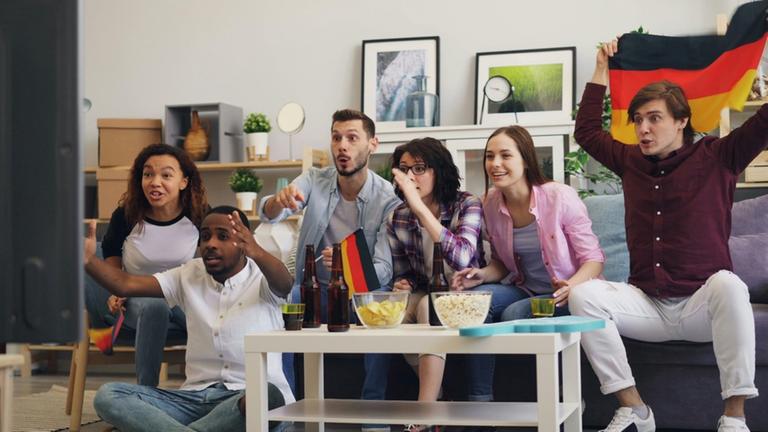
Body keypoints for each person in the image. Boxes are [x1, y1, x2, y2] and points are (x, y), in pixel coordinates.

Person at [569, 39, 765, 432]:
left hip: (700, 308)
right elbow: (587, 132)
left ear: (681, 121)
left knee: (729, 284)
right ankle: (635, 409)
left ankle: (734, 417)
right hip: (647, 305)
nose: (642, 128)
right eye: (638, 119)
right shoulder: (630, 162)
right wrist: (601, 69)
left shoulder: (719, 156)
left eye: (654, 118)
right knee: (583, 294)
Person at [87, 206, 294, 432]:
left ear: (245, 242)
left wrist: (259, 252)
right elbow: (124, 284)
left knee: (268, 396)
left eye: (223, 236)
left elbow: (285, 284)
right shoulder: (188, 274)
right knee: (109, 395)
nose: (211, 244)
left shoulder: (263, 277)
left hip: (246, 398)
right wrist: (86, 258)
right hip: (192, 400)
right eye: (205, 237)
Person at [258, 109, 401, 431]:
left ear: (372, 144)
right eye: (337, 137)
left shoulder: (387, 198)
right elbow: (270, 214)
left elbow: (381, 270)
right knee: (288, 300)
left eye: (352, 138)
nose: (342, 146)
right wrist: (278, 202)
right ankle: (288, 412)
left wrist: (345, 264)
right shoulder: (314, 180)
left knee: (381, 308)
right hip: (313, 291)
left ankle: (373, 418)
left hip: (359, 295)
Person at [452, 125, 604, 413]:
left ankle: (564, 394)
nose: (495, 164)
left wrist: (573, 286)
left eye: (505, 155)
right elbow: (500, 263)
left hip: (570, 292)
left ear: (525, 159)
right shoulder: (490, 204)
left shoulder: (560, 197)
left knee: (514, 313)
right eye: (489, 156)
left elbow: (594, 260)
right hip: (525, 289)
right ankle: (480, 404)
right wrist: (481, 275)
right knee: (474, 302)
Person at [386, 137, 484, 432]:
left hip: (466, 293)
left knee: (431, 305)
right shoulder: (398, 217)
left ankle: (424, 414)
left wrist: (420, 209)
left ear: (438, 170)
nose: (411, 177)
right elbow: (408, 273)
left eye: (419, 168)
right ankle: (436, 395)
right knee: (393, 313)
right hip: (426, 290)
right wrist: (402, 284)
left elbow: (463, 257)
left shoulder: (467, 203)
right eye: (404, 170)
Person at [92, 143, 208, 386]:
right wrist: (116, 289)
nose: (155, 182)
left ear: (184, 181)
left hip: (182, 297)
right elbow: (111, 253)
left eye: (166, 175)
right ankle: (146, 394)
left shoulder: (199, 215)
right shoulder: (126, 215)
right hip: (137, 301)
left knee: (207, 310)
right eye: (148, 174)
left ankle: (212, 390)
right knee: (156, 307)